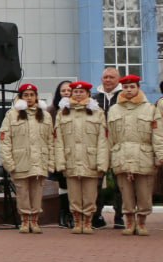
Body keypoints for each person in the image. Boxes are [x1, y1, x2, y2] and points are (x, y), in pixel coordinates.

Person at [106, 74, 162, 236]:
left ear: (138, 88)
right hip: (121, 155)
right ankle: (129, 222)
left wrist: (160, 155)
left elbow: (157, 134)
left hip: (143, 155)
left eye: (132, 87)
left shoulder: (150, 109)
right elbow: (109, 137)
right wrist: (108, 159)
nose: (129, 90)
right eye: (125, 87)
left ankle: (142, 222)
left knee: (144, 193)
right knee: (126, 193)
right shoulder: (114, 110)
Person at [53, 81, 108, 234]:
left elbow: (103, 141)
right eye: (75, 92)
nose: (78, 94)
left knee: (90, 195)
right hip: (71, 160)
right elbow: (58, 140)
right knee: (74, 195)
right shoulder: (63, 113)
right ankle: (77, 221)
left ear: (88, 94)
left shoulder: (97, 113)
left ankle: (88, 221)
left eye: (81, 92)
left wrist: (102, 163)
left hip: (90, 160)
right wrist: (60, 162)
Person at [0, 83, 54, 233]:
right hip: (20, 161)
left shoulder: (45, 115)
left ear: (36, 97)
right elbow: (4, 140)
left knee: (37, 192)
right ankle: (24, 220)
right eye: (26, 95)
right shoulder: (12, 114)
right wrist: (8, 163)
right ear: (21, 97)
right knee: (22, 192)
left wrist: (51, 162)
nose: (29, 98)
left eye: (32, 95)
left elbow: (51, 140)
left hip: (40, 161)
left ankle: (35, 221)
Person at [94, 67, 124, 228]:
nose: (108, 80)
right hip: (99, 145)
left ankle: (120, 217)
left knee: (121, 182)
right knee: (97, 182)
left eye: (111, 77)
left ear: (118, 79)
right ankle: (96, 216)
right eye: (105, 77)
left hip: (118, 144)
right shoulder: (94, 98)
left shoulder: (124, 97)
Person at [48, 81, 74, 228]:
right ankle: (64, 213)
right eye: (63, 90)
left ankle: (75, 213)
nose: (66, 92)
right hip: (58, 152)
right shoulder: (51, 111)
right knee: (62, 184)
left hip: (74, 153)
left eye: (69, 90)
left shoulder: (79, 109)